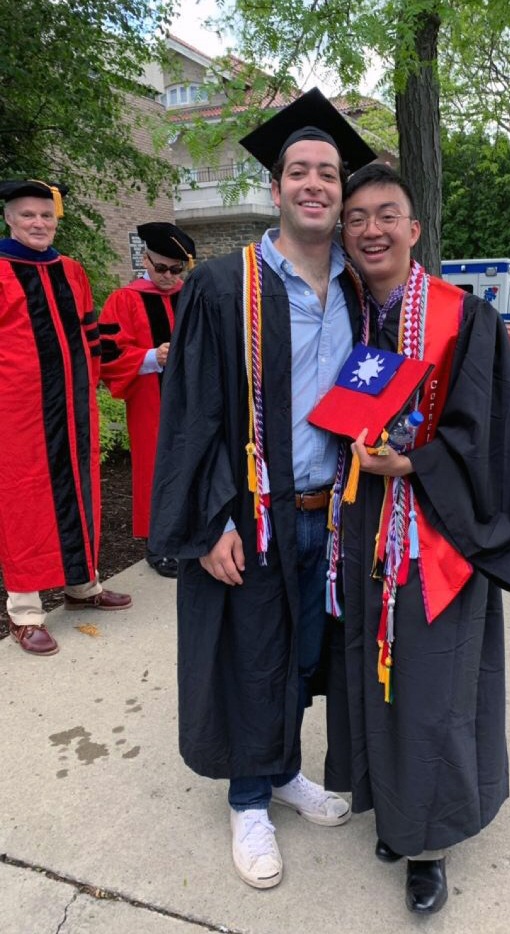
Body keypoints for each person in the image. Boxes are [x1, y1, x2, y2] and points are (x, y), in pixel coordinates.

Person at [148, 90, 376, 890]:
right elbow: (191, 414)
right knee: (251, 656)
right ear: (276, 188)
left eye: (328, 173)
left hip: (331, 512)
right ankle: (248, 799)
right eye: (298, 172)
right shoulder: (223, 286)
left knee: (305, 654)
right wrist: (208, 519)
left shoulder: (358, 290)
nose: (314, 183)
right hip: (252, 514)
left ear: (341, 192)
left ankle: (282, 770)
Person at [336, 164, 510, 915]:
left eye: (387, 215)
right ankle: (393, 811)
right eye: (357, 217)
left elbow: (488, 437)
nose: (371, 229)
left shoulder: (461, 318)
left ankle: (428, 843)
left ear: (413, 230)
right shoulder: (347, 315)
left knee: (433, 691)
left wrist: (411, 462)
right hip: (362, 531)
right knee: (377, 678)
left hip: (439, 535)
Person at [0, 179, 132, 657]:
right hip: (18, 414)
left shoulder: (70, 270)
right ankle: (26, 611)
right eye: (28, 215)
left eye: (46, 216)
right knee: (26, 502)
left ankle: (82, 586)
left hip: (75, 406)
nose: (39, 223)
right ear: (10, 219)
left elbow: (89, 334)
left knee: (81, 491)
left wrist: (92, 383)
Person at [99, 222, 196, 578]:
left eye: (176, 269)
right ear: (145, 259)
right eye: (161, 268)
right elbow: (106, 356)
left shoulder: (192, 295)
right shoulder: (124, 300)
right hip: (149, 401)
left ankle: (192, 536)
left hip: (195, 399)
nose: (168, 276)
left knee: (195, 463)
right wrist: (152, 357)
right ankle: (160, 544)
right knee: (156, 468)